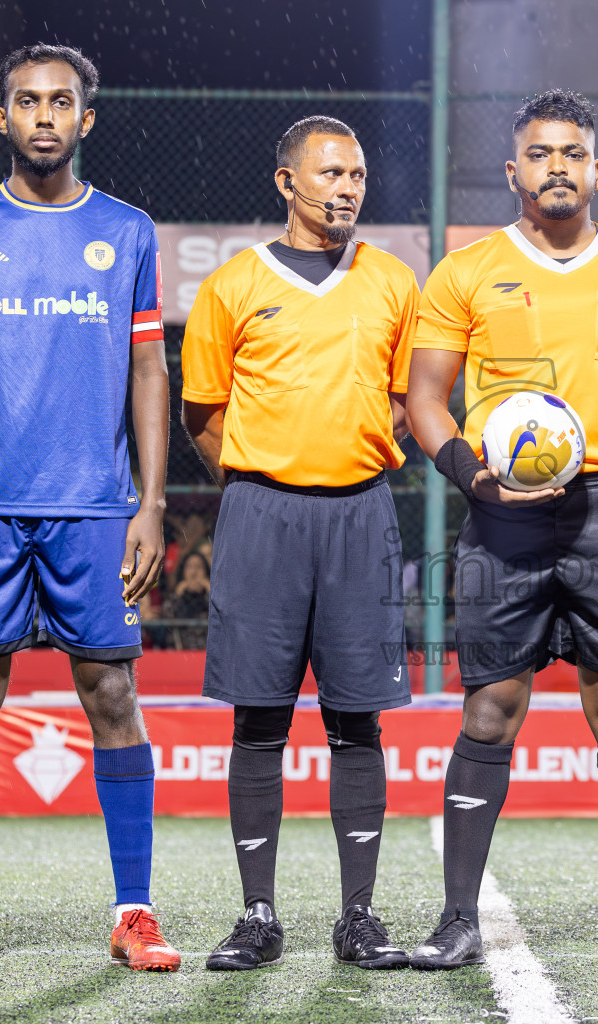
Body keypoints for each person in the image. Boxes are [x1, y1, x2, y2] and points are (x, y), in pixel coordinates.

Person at [407, 89, 598, 972]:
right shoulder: (465, 270)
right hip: (502, 514)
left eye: (573, 153)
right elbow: (424, 398)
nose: (557, 167)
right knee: (490, 709)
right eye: (540, 154)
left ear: (597, 169)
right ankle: (458, 918)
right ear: (514, 171)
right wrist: (473, 476)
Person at [0, 44, 178, 973]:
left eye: (61, 102)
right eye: (27, 101)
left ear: (85, 119)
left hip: (93, 504)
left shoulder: (127, 231)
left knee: (112, 693)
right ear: (2, 118)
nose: (44, 116)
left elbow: (149, 369)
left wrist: (149, 503)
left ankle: (135, 913)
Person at [182, 115, 420, 972]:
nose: (348, 187)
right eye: (330, 173)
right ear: (287, 182)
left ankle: (359, 916)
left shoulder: (393, 279)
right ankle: (258, 916)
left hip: (361, 514)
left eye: (357, 174)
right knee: (259, 719)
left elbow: (407, 401)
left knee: (357, 721)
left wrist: (341, 456)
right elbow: (202, 415)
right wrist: (269, 475)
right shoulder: (232, 284)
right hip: (262, 516)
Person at [164, 550, 211, 651]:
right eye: (189, 567)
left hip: (207, 653)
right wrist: (177, 595)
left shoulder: (210, 595)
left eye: (199, 567)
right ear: (183, 571)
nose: (194, 572)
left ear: (206, 571)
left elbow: (221, 617)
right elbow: (166, 618)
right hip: (180, 653)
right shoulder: (176, 595)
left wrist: (210, 592)